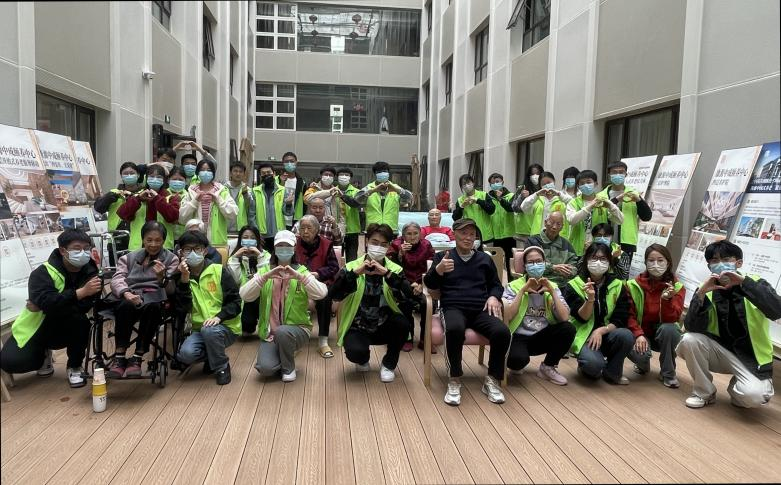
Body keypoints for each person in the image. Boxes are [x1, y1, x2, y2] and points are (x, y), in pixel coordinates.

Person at [677, 240, 781, 409]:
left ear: (738, 263)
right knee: (689, 340)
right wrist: (701, 294)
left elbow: (777, 310)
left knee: (752, 397)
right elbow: (691, 327)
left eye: (726, 259)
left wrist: (744, 283)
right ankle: (704, 392)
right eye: (714, 260)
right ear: (709, 266)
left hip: (751, 356)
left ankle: (740, 386)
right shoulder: (706, 288)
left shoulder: (755, 283)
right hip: (721, 351)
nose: (720, 264)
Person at [423, 218, 511, 406]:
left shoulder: (484, 259)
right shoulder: (443, 257)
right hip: (453, 307)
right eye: (464, 233)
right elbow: (430, 285)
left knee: (502, 332)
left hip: (480, 309)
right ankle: (454, 379)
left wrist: (494, 297)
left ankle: (492, 380)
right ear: (454, 234)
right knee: (454, 329)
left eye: (472, 234)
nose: (468, 237)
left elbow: (496, 285)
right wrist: (439, 270)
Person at [0, 229, 101, 388]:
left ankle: (74, 366)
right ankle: (43, 355)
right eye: (77, 248)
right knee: (10, 362)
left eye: (86, 248)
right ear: (63, 250)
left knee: (81, 321)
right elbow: (47, 301)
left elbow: (84, 306)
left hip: (69, 325)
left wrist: (48, 304)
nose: (83, 252)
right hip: (36, 326)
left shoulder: (92, 272)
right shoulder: (42, 273)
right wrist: (80, 293)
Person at [329, 223, 413, 383]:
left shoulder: (394, 269)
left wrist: (387, 274)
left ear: (388, 247)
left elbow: (407, 297)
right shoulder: (351, 266)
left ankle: (388, 365)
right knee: (355, 352)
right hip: (358, 325)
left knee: (402, 324)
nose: (378, 247)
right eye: (375, 242)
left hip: (384, 323)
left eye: (383, 244)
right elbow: (334, 295)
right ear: (366, 241)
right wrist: (354, 274)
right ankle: (362, 359)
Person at [239, 230, 328, 382]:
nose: (284, 249)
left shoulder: (302, 271)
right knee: (265, 369)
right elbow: (245, 295)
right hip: (270, 334)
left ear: (294, 248)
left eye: (288, 246)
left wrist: (299, 277)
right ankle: (284, 352)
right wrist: (265, 277)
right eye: (280, 246)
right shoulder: (265, 271)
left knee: (283, 332)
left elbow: (321, 293)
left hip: (298, 330)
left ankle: (289, 368)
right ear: (274, 249)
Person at [107, 221, 179, 378]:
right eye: (149, 240)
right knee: (125, 305)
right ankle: (119, 356)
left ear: (163, 240)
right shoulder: (128, 258)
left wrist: (162, 278)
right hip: (131, 294)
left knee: (153, 307)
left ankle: (137, 357)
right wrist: (126, 293)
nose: (153, 244)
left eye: (158, 240)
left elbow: (171, 290)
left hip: (155, 297)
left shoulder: (172, 259)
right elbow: (117, 279)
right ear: (143, 239)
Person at [560, 242, 634, 384]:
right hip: (584, 336)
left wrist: (601, 331)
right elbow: (582, 318)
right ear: (586, 260)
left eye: (603, 259)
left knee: (626, 335)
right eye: (594, 258)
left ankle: (613, 372)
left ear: (609, 262)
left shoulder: (618, 285)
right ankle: (587, 365)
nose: (598, 262)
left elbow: (621, 318)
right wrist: (590, 299)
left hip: (608, 333)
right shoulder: (574, 285)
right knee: (593, 367)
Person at [174, 230, 242, 385]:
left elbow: (236, 302)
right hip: (199, 330)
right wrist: (184, 280)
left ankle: (221, 367)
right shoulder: (180, 276)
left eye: (197, 249)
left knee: (210, 330)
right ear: (181, 253)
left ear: (205, 251)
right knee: (185, 355)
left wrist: (219, 317)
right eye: (187, 249)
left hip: (226, 326)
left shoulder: (219, 271)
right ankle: (213, 356)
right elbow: (182, 308)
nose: (193, 253)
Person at [502, 246, 575, 384]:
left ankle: (548, 367)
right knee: (516, 361)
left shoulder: (552, 286)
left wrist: (552, 292)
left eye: (539, 261)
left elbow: (565, 317)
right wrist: (522, 291)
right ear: (525, 266)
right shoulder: (514, 286)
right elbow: (508, 315)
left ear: (545, 263)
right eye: (530, 262)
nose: (535, 265)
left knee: (568, 328)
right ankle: (519, 362)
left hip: (542, 336)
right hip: (518, 336)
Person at [625, 244, 685, 388]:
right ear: (645, 262)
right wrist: (638, 334)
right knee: (636, 350)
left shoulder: (677, 287)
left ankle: (668, 373)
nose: (655, 264)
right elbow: (629, 315)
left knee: (670, 329)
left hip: (663, 334)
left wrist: (667, 300)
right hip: (640, 333)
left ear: (668, 263)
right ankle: (642, 364)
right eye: (651, 260)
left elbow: (673, 319)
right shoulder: (632, 285)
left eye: (660, 260)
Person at [294, 215, 340, 358]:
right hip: (297, 283)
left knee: (325, 297)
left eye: (309, 228)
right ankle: (290, 338)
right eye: (302, 228)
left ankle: (323, 341)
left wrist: (318, 274)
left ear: (317, 230)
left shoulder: (326, 244)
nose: (305, 232)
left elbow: (334, 267)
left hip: (319, 283)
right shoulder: (293, 243)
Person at [600, 161, 652, 279]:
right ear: (609, 174)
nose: (618, 175)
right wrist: (617, 199)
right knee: (602, 274)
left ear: (626, 174)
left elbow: (647, 217)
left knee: (622, 275)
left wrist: (639, 200)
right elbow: (605, 211)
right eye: (614, 172)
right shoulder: (601, 195)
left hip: (626, 242)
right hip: (603, 240)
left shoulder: (633, 194)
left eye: (621, 172)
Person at [388, 222, 434, 352]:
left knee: (427, 303)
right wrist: (400, 254)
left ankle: (425, 338)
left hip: (422, 282)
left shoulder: (426, 245)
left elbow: (432, 267)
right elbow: (391, 268)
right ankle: (407, 337)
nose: (412, 237)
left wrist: (421, 284)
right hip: (403, 283)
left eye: (415, 233)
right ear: (403, 235)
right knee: (405, 302)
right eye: (409, 234)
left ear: (420, 234)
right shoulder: (396, 244)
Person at [117, 164, 180, 250]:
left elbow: (173, 217)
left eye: (158, 177)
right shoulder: (137, 196)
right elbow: (122, 214)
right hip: (138, 247)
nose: (155, 179)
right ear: (146, 178)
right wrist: (138, 199)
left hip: (163, 247)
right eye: (151, 176)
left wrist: (158, 198)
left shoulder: (170, 197)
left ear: (164, 180)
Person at [178, 159, 238, 248]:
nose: (205, 173)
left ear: (213, 173)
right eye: (202, 170)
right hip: (194, 241)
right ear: (197, 172)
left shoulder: (222, 191)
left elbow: (233, 214)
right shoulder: (191, 191)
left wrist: (218, 200)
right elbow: (182, 218)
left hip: (217, 242)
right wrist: (194, 201)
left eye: (209, 170)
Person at [227, 225, 271, 336]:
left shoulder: (266, 255)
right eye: (245, 237)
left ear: (257, 240)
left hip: (263, 296)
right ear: (240, 240)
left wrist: (260, 257)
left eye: (252, 238)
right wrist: (235, 258)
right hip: (245, 298)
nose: (249, 240)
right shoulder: (234, 257)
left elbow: (266, 278)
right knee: (246, 330)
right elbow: (235, 280)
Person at [566, 170, 623, 256]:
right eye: (582, 183)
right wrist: (590, 206)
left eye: (588, 182)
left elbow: (620, 220)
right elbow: (571, 220)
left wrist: (611, 205)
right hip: (577, 249)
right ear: (578, 186)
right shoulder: (573, 202)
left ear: (596, 184)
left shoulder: (603, 201)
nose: (586, 185)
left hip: (599, 249)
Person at [355, 161, 413, 233]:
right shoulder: (369, 188)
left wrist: (396, 189)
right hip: (373, 230)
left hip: (391, 230)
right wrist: (373, 190)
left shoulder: (396, 188)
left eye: (384, 171)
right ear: (375, 174)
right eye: (379, 172)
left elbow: (410, 198)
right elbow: (356, 199)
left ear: (388, 173)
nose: (382, 173)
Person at [526, 211, 579, 287]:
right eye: (551, 222)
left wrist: (568, 272)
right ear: (545, 223)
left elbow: (574, 266)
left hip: (562, 284)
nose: (554, 227)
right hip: (539, 283)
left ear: (562, 227)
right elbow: (531, 265)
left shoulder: (566, 244)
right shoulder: (533, 241)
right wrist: (553, 268)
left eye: (558, 224)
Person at [93, 161, 144, 237]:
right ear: (121, 176)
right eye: (125, 173)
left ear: (138, 175)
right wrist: (109, 197)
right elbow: (98, 208)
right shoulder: (114, 192)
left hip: (138, 237)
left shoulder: (143, 194)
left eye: (132, 173)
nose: (129, 176)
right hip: (115, 235)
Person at [519, 171, 568, 242]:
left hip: (558, 238)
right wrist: (536, 194)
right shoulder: (537, 200)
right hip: (538, 238)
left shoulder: (562, 199)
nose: (547, 185)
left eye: (549, 182)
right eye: (543, 184)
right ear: (540, 186)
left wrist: (559, 194)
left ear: (554, 182)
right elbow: (523, 207)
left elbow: (571, 203)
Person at [453, 174, 495, 246]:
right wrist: (462, 206)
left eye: (468, 182)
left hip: (486, 236)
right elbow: (455, 218)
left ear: (473, 183)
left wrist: (478, 201)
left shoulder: (483, 195)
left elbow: (491, 210)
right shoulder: (460, 200)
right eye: (464, 184)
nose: (466, 185)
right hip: (469, 237)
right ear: (461, 187)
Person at [487, 173, 517, 274]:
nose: (495, 184)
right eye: (493, 183)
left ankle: (511, 281)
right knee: (495, 263)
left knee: (510, 262)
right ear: (490, 185)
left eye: (497, 181)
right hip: (494, 235)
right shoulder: (488, 197)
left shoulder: (511, 196)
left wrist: (500, 199)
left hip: (509, 234)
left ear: (502, 182)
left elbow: (510, 209)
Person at [304, 166, 345, 239]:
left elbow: (341, 215)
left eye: (330, 175)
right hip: (314, 226)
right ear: (321, 176)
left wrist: (341, 232)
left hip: (331, 227)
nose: (328, 177)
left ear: (334, 178)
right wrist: (328, 192)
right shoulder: (313, 188)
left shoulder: (337, 192)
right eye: (326, 174)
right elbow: (306, 199)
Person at [253, 162, 285, 251]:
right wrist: (256, 233)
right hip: (262, 235)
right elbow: (251, 215)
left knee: (278, 257)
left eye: (268, 172)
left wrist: (289, 204)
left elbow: (288, 213)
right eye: (263, 173)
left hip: (279, 234)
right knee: (262, 257)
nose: (266, 175)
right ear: (260, 176)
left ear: (274, 174)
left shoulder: (283, 190)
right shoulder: (254, 191)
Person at [511, 163, 544, 248]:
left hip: (540, 230)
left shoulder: (545, 190)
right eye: (532, 174)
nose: (535, 176)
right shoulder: (522, 188)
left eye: (537, 173)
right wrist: (522, 197)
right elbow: (514, 207)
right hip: (524, 231)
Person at [335, 167, 362, 261]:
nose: (344, 177)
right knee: (336, 257)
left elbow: (355, 204)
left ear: (350, 178)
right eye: (341, 175)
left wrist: (342, 196)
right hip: (336, 230)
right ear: (337, 177)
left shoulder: (357, 192)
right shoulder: (332, 190)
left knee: (352, 258)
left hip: (352, 230)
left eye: (346, 175)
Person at [225, 161, 256, 233]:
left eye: (240, 171)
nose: (238, 174)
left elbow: (250, 208)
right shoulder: (223, 189)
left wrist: (245, 194)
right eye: (235, 171)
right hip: (224, 228)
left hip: (241, 230)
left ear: (244, 174)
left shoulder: (248, 190)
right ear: (230, 173)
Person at [277, 151, 306, 229]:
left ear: (296, 162)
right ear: (283, 163)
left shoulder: (301, 182)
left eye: (292, 161)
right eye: (286, 161)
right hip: (279, 218)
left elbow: (305, 203)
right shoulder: (276, 180)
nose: (289, 163)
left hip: (296, 220)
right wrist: (281, 183)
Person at [166, 166, 189, 243]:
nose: (177, 182)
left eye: (180, 180)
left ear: (185, 181)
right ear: (168, 180)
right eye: (174, 179)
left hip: (185, 236)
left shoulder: (190, 196)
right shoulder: (163, 195)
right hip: (167, 237)